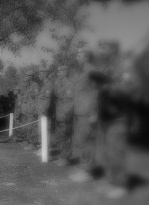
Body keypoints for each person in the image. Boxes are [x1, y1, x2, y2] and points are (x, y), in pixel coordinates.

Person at [70, 48, 98, 183]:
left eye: (79, 54)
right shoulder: (82, 72)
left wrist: (94, 112)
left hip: (87, 113)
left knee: (86, 142)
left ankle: (87, 172)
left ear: (86, 57)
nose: (76, 56)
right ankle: (83, 167)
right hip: (80, 112)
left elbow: (96, 93)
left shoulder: (91, 71)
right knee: (80, 141)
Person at [53, 65, 74, 167]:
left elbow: (69, 101)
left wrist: (67, 114)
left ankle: (65, 157)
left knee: (66, 136)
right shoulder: (59, 83)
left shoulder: (68, 84)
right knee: (60, 135)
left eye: (61, 71)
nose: (59, 73)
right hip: (59, 113)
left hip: (65, 113)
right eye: (58, 72)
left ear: (66, 72)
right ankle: (62, 155)